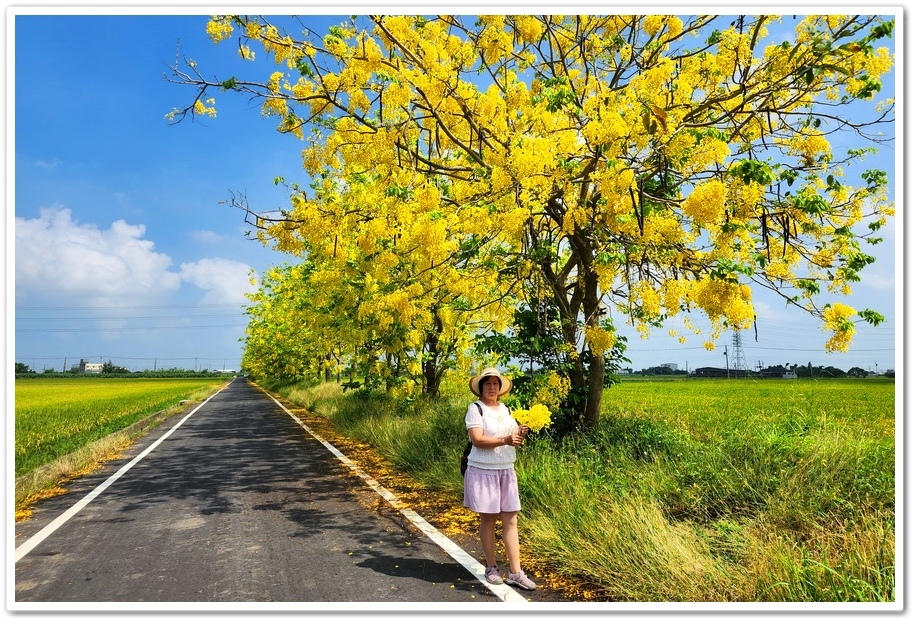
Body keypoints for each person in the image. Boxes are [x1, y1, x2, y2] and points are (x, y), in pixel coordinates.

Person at [463, 367, 537, 591]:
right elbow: (477, 439)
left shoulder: (506, 408)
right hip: (483, 470)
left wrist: (519, 433)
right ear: (481, 387)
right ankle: (492, 567)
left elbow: (510, 437)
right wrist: (505, 439)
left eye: (496, 383)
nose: (492, 387)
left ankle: (516, 573)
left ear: (500, 388)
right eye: (488, 383)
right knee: (488, 519)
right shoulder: (475, 409)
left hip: (506, 469)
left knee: (511, 520)